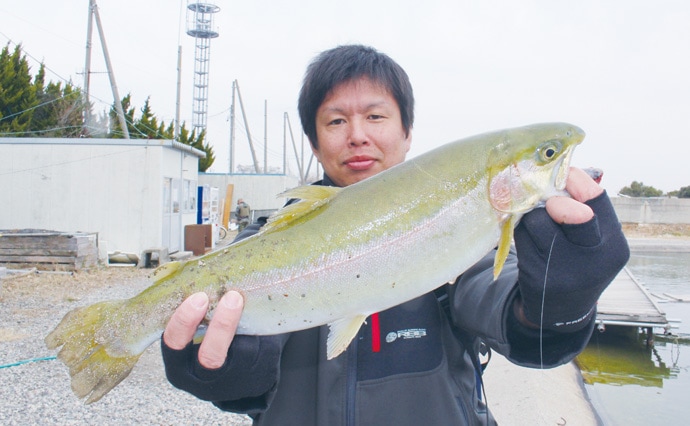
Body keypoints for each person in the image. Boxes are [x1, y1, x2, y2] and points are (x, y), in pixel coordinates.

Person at [161, 45, 629, 425]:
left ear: (408, 133)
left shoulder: (465, 230)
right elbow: (248, 385)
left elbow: (518, 322)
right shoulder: (262, 244)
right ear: (314, 141)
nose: (358, 135)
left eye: (376, 117)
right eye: (336, 120)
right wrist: (219, 373)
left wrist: (560, 304)